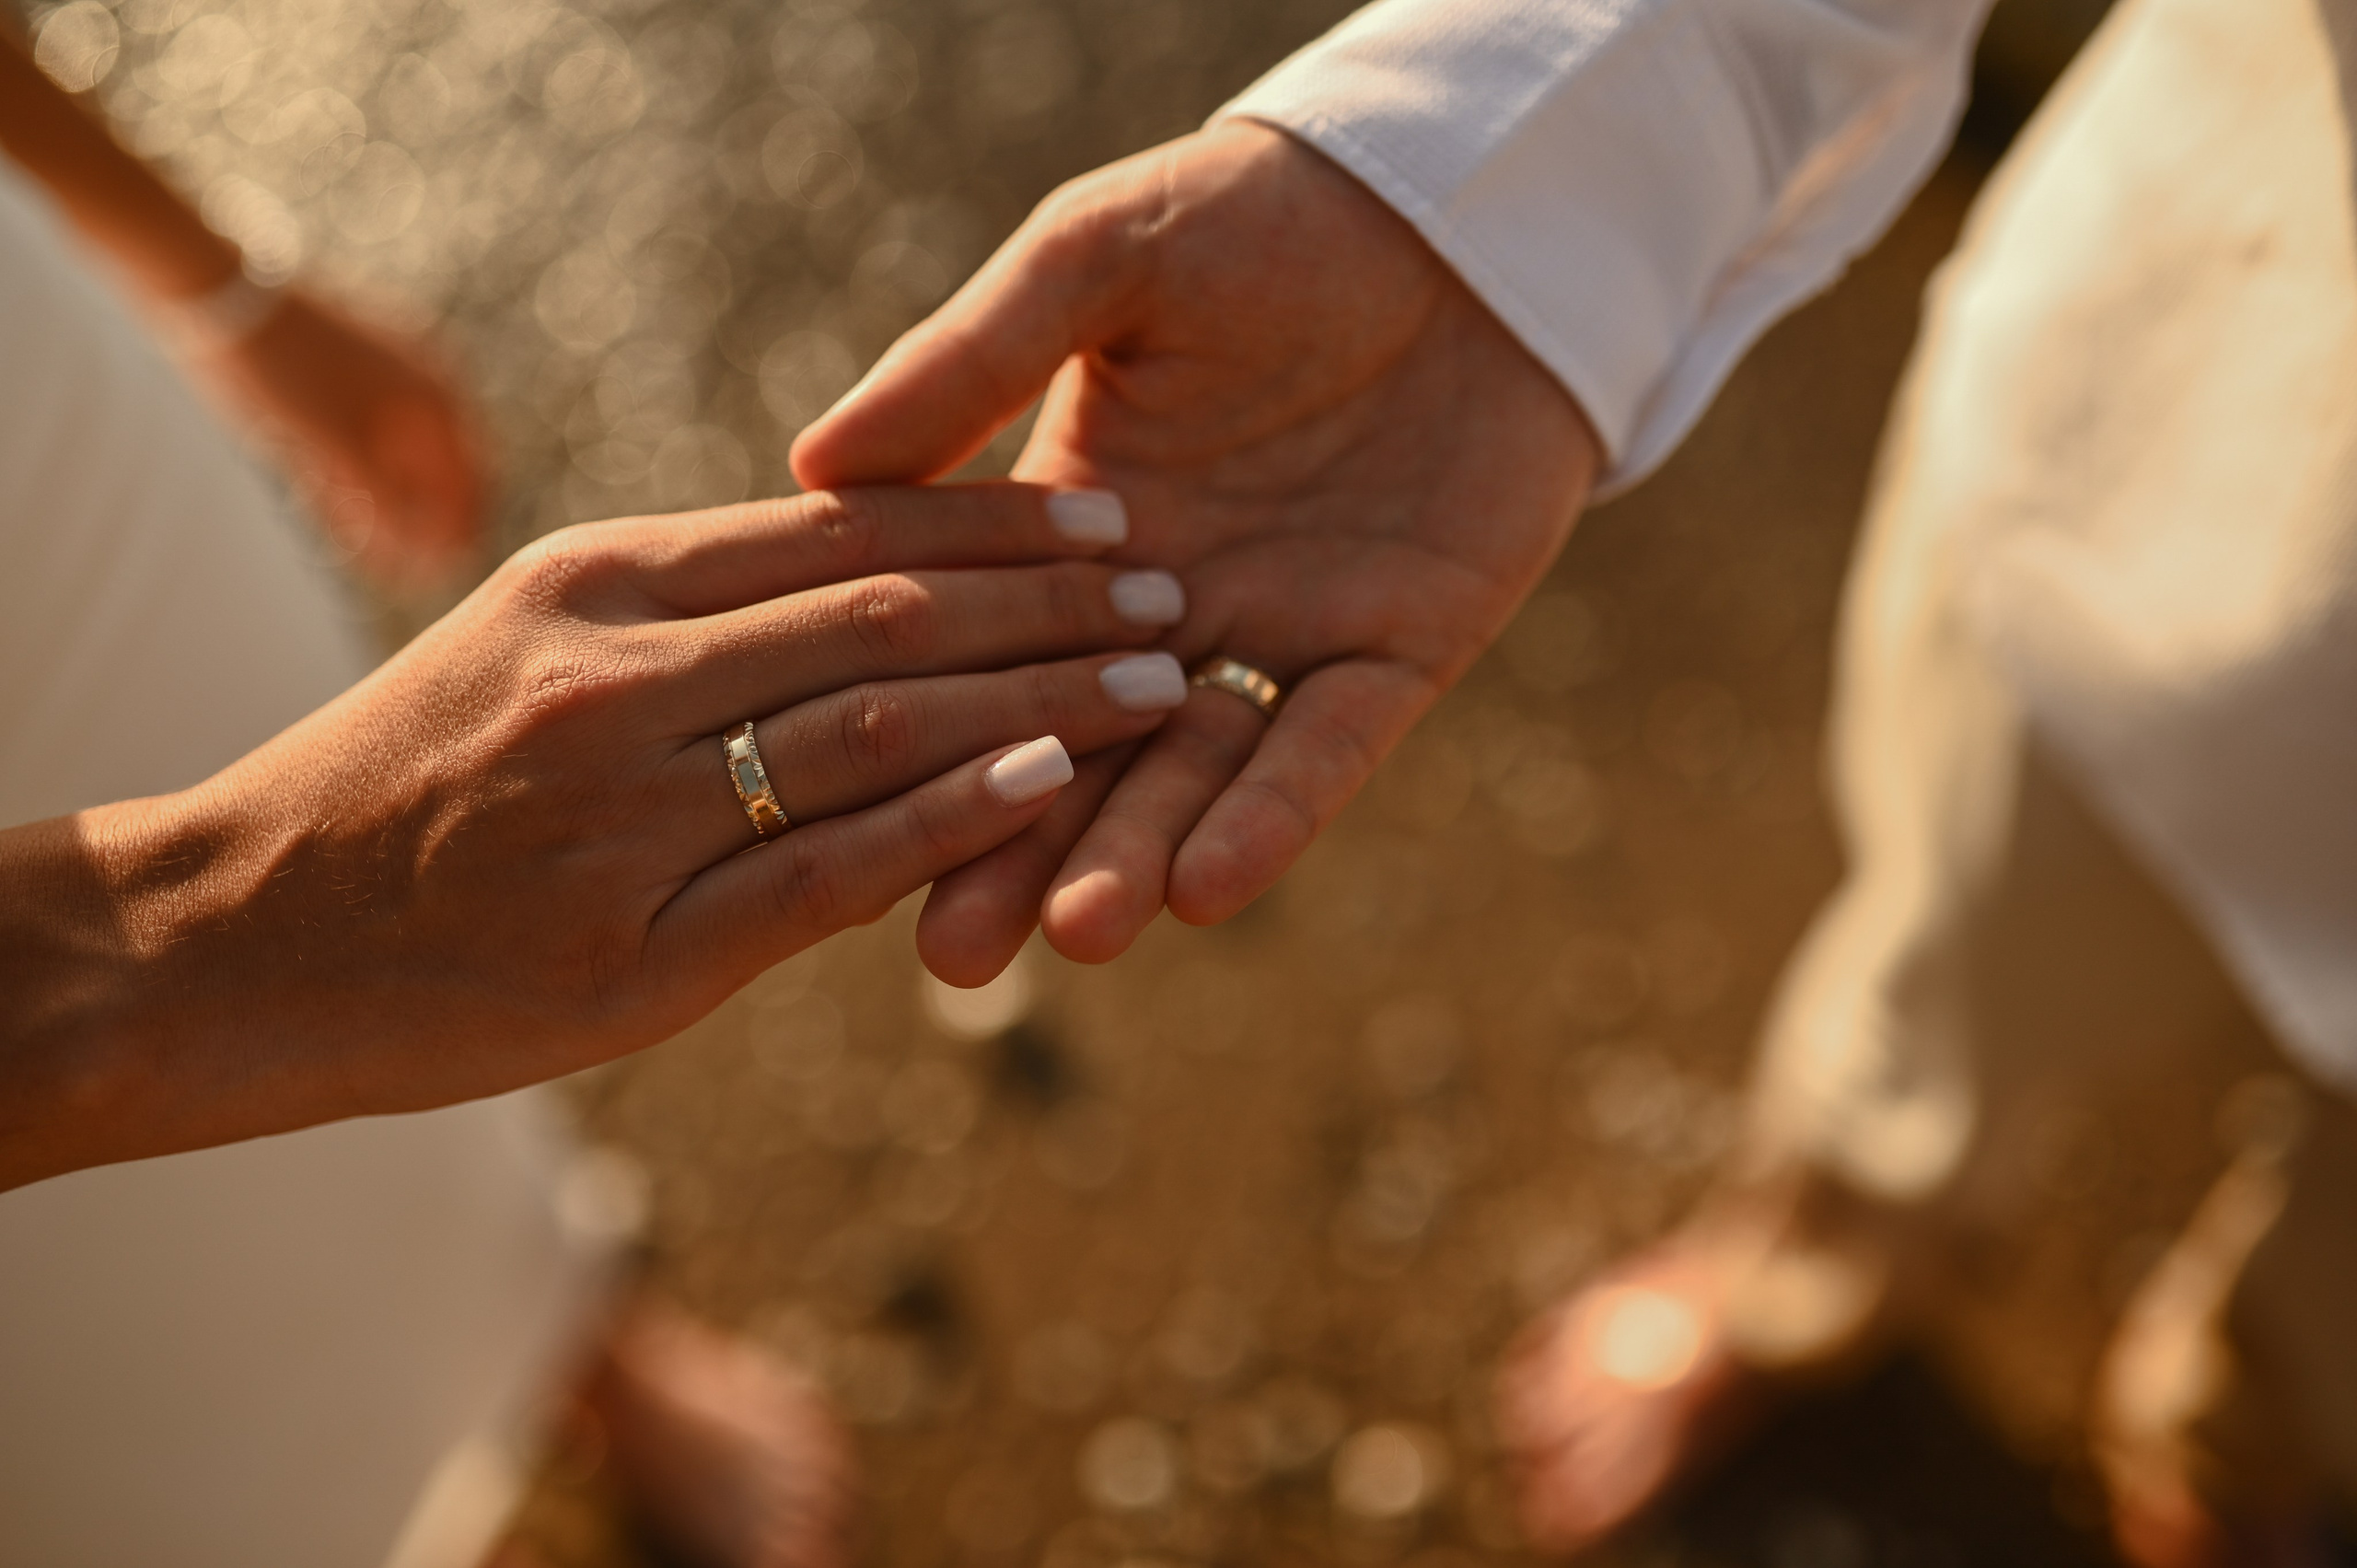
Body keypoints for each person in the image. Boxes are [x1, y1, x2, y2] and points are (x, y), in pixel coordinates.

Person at [789, 0, 2357, 1558]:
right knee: (1957, 952)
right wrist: (1499, 197)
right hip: (2210, 482)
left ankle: (2252, 1421)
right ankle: (1812, 1273)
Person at [0, 32, 1193, 1567]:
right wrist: (236, 925)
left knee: (445, 1033)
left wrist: (220, 282)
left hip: (37, 454)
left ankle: (579, 1347)